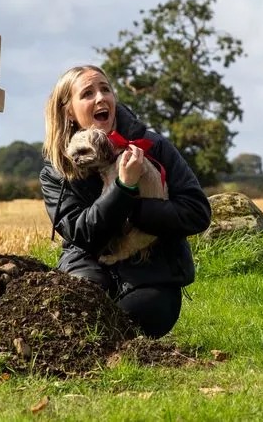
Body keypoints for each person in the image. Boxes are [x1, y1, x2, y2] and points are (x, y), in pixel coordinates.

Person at [40, 65, 211, 338]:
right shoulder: (56, 169)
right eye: (87, 93)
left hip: (152, 271)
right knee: (80, 310)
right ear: (68, 111)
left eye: (105, 89)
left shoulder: (152, 147)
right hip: (87, 265)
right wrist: (122, 188)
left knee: (130, 322)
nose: (100, 98)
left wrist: (136, 206)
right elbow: (83, 234)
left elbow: (197, 213)